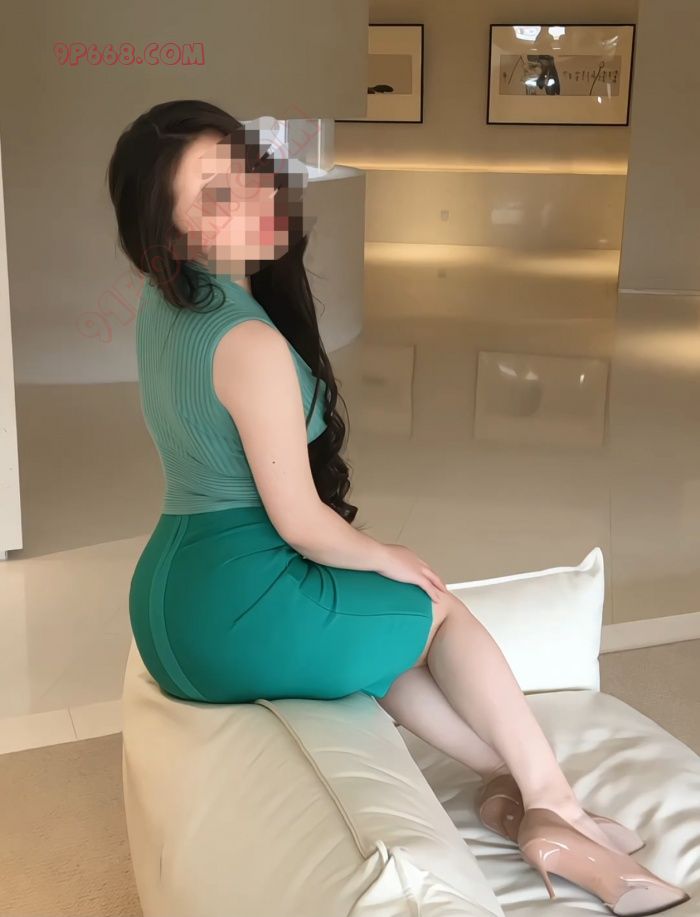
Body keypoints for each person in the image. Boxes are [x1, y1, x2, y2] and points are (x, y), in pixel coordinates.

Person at [108, 99, 688, 914]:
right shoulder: (248, 343)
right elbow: (298, 520)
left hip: (170, 604)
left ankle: (508, 785)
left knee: (381, 633)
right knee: (436, 608)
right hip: (236, 606)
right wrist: (392, 557)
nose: (255, 194)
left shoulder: (163, 305)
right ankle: (558, 804)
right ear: (170, 238)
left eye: (247, 169)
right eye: (216, 195)